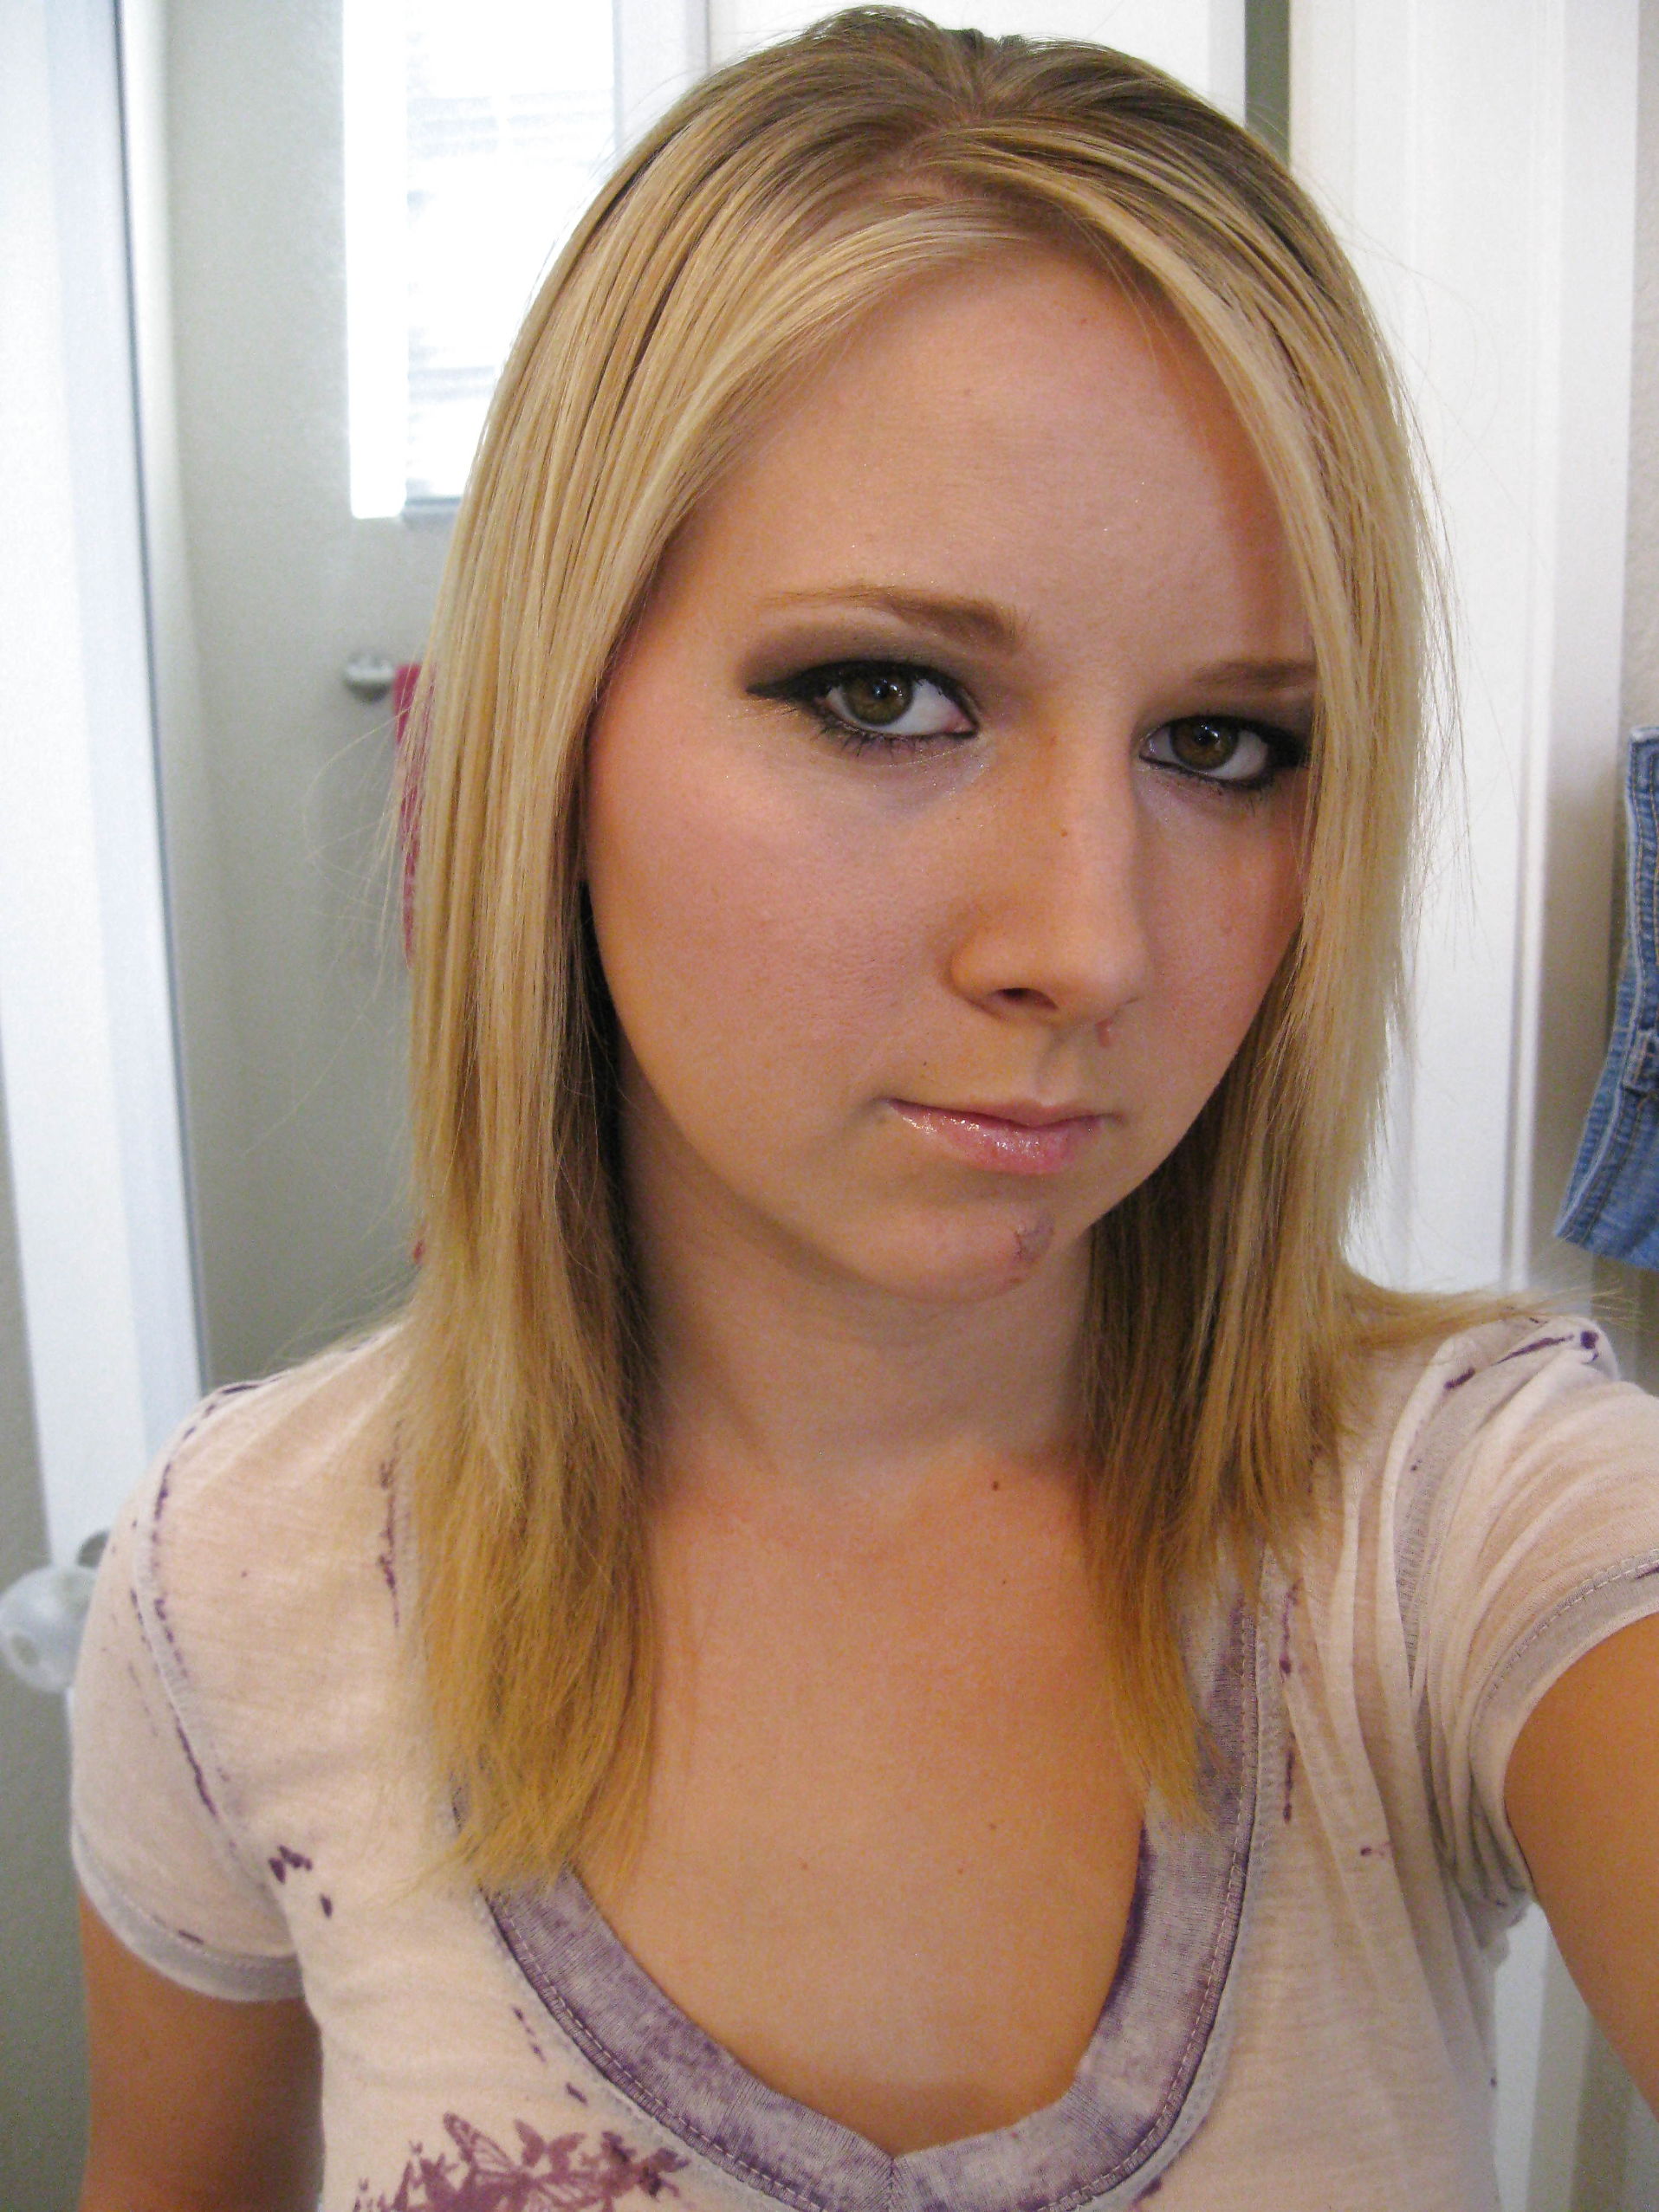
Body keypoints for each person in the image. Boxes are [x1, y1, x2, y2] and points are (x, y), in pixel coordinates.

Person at [70, 10, 1659, 2209]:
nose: (1086, 944)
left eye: (1223, 747)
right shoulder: (238, 1583)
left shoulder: (1467, 1525)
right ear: (555, 727)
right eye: (885, 694)